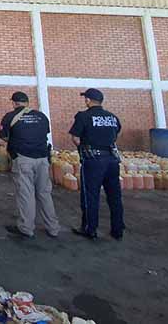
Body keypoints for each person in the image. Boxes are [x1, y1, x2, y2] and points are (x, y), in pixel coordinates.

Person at [0, 91, 60, 239]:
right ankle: (53, 228)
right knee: (44, 193)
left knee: (26, 193)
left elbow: (4, 136)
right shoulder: (41, 116)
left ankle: (26, 228)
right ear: (27, 102)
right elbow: (44, 133)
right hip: (43, 158)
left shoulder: (10, 116)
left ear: (14, 103)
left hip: (23, 159)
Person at [69, 88, 125, 241]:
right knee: (114, 196)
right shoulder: (112, 117)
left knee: (91, 195)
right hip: (112, 160)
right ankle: (117, 230)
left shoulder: (83, 116)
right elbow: (116, 133)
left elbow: (75, 138)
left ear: (88, 100)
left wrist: (84, 148)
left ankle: (90, 229)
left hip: (93, 161)